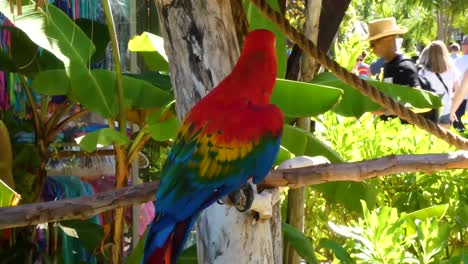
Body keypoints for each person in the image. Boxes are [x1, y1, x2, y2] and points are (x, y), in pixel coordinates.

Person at [363, 17, 422, 121]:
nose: (371, 48)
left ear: (388, 40)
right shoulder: (388, 65)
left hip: (403, 132)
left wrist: (385, 111)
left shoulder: (405, 66)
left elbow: (416, 101)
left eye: (373, 44)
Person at [419, 41, 460, 128]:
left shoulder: (423, 72)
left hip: (430, 113)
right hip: (447, 111)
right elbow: (458, 89)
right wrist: (452, 106)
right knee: (444, 140)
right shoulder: (452, 70)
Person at [453, 35, 468, 131]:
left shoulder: (459, 61)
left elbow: (454, 82)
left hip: (461, 101)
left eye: (462, 44)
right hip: (462, 100)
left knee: (459, 131)